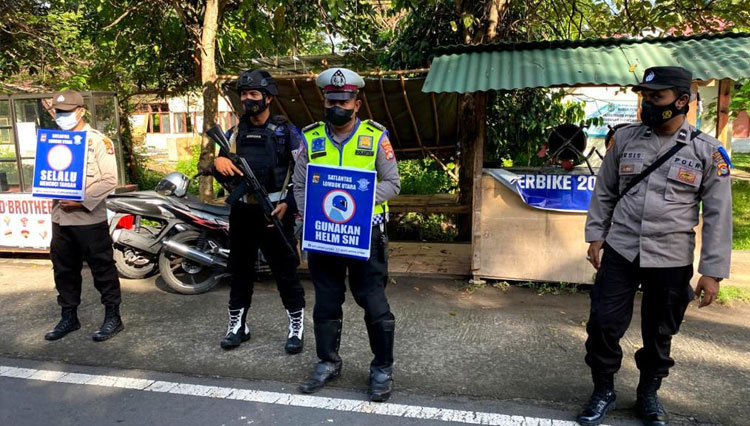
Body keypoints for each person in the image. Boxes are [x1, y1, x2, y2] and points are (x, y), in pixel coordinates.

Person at [578, 66, 732, 426]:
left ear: (681, 100)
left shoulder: (708, 152)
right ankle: (603, 390)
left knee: (660, 331)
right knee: (602, 322)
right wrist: (596, 235)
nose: (647, 103)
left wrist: (712, 271)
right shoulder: (626, 140)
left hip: (672, 256)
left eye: (656, 97)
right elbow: (605, 192)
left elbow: (718, 215)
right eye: (645, 96)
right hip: (622, 248)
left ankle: (648, 393)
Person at [293, 68, 401, 402]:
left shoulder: (375, 137)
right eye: (331, 99)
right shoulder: (310, 139)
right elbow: (299, 185)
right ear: (323, 101)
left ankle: (382, 369)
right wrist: (309, 217)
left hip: (365, 235)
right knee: (326, 302)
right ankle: (328, 362)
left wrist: (359, 200)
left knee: (374, 304)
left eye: (344, 100)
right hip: (324, 236)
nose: (337, 105)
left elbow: (392, 183)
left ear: (357, 103)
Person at [212, 69, 306, 354]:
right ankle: (238, 326)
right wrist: (218, 165)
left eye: (253, 94)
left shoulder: (287, 132)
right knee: (239, 271)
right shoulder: (235, 132)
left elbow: (304, 174)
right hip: (242, 214)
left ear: (268, 98)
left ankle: (296, 327)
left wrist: (289, 202)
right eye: (243, 95)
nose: (247, 99)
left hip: (276, 213)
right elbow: (219, 166)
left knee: (285, 272)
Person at [44, 90, 124, 342]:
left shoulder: (98, 142)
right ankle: (69, 317)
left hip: (89, 220)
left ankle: (113, 317)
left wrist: (80, 200)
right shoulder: (54, 141)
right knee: (63, 271)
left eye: (67, 112)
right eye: (58, 112)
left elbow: (110, 180)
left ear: (80, 111)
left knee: (103, 270)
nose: (62, 117)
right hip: (60, 220)